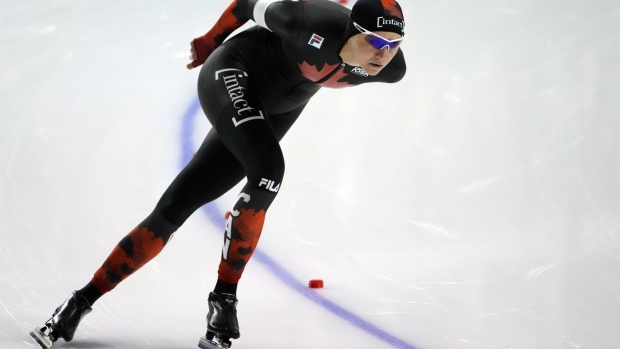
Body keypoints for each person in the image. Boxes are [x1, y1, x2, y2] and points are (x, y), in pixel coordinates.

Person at [29, 0, 406, 348]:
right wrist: (211, 40)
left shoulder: (391, 69)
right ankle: (224, 300)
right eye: (375, 40)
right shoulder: (305, 21)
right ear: (351, 28)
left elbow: (384, 57)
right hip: (232, 72)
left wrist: (384, 49)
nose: (383, 54)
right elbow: (246, 3)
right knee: (269, 169)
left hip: (274, 113)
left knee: (177, 205)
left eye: (395, 43)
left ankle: (79, 302)